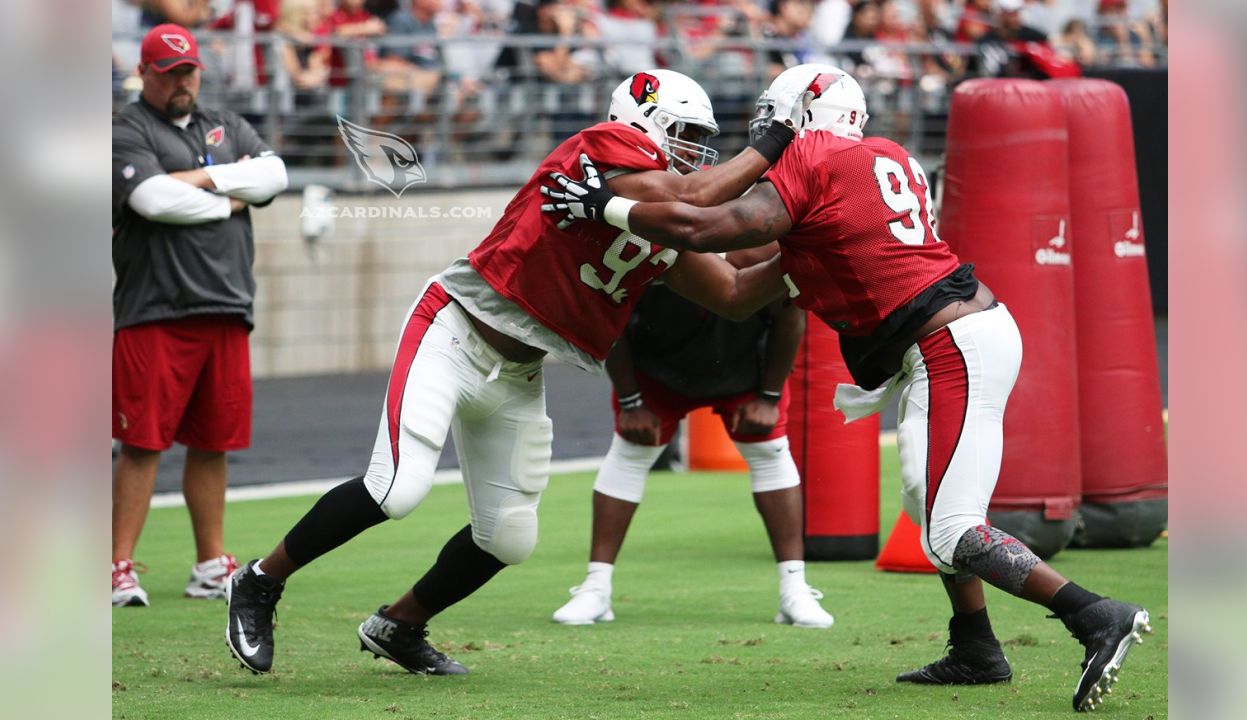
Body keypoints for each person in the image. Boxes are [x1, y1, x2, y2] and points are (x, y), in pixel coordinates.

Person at [540, 63, 1153, 713]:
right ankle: (974, 645)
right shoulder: (879, 157)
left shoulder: (811, 157)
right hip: (949, 341)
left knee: (951, 531)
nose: (765, 134)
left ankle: (1095, 615)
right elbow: (746, 293)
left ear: (795, 118)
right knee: (927, 500)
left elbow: (711, 228)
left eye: (774, 121)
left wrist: (604, 205)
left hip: (952, 346)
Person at [223, 68, 815, 677]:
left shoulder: (663, 220)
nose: (696, 149)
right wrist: (772, 143)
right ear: (645, 120)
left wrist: (812, 250)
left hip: (519, 372)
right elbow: (690, 200)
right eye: (686, 133)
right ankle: (260, 581)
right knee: (395, 488)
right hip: (455, 330)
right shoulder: (599, 147)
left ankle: (398, 625)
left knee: (508, 536)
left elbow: (739, 294)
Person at [551, 247, 834, 628]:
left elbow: (790, 316)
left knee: (769, 452)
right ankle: (595, 588)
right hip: (657, 370)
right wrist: (632, 400)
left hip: (742, 368)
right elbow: (610, 321)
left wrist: (768, 396)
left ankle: (794, 589)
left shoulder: (758, 245)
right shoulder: (646, 245)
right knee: (630, 454)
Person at [111, 24, 289, 607]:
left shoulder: (226, 124)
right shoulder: (125, 129)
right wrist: (233, 194)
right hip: (156, 308)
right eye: (170, 72)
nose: (183, 81)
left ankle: (211, 563)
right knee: (143, 442)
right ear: (148, 73)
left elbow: (275, 176)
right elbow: (151, 201)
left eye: (189, 71)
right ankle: (116, 566)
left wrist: (201, 180)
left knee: (214, 442)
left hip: (227, 305)